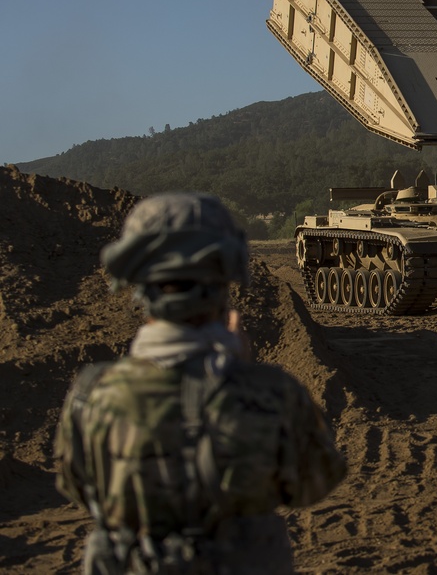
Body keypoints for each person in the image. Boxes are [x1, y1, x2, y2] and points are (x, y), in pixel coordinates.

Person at [55, 192, 347, 575]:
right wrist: (240, 372)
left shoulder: (91, 393)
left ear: (137, 282)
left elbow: (79, 488)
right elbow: (315, 482)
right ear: (226, 277)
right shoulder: (272, 393)